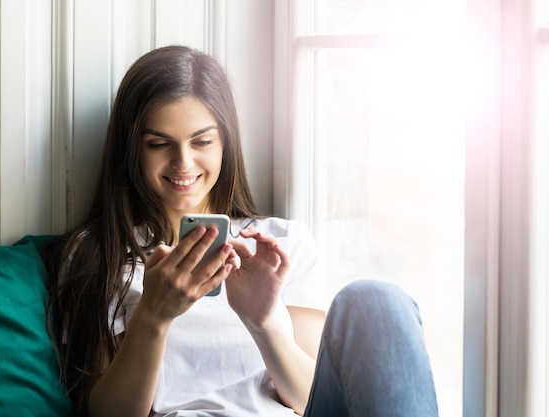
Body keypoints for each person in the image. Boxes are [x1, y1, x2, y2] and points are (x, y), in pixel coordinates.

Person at [42, 45, 439, 417]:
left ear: (225, 143)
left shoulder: (282, 243)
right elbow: (105, 412)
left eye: (201, 141)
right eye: (159, 144)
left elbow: (311, 400)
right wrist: (152, 318)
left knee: (375, 299)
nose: (183, 163)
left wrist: (264, 320)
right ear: (133, 149)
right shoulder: (100, 252)